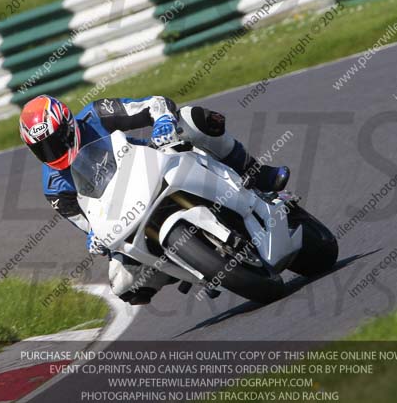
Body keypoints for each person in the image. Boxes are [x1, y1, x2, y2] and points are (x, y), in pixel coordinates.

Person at [19, 94, 290, 305]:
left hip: (154, 162)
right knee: (122, 284)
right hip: (125, 210)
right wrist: (93, 237)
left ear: (69, 124)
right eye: (42, 148)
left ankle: (256, 173)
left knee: (192, 119)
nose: (52, 150)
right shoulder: (54, 186)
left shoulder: (97, 114)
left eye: (56, 140)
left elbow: (155, 104)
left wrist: (162, 121)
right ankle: (189, 265)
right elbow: (87, 222)